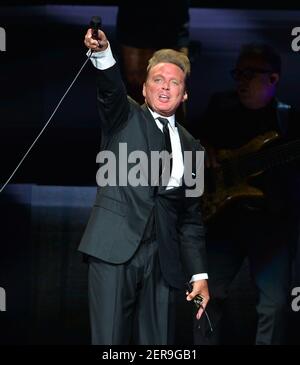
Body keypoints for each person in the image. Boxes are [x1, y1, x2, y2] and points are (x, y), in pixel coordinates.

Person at [79, 26, 209, 345]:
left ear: (185, 93)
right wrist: (102, 52)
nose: (165, 88)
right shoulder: (124, 117)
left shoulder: (193, 148)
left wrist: (199, 275)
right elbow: (109, 88)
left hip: (163, 261)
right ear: (145, 88)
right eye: (158, 80)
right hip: (113, 251)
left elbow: (190, 219)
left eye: (174, 82)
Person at [193, 43, 300, 345]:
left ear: (274, 79)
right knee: (206, 298)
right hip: (222, 220)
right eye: (237, 73)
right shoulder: (220, 107)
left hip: (270, 224)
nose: (240, 80)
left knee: (276, 304)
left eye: (249, 74)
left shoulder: (289, 120)